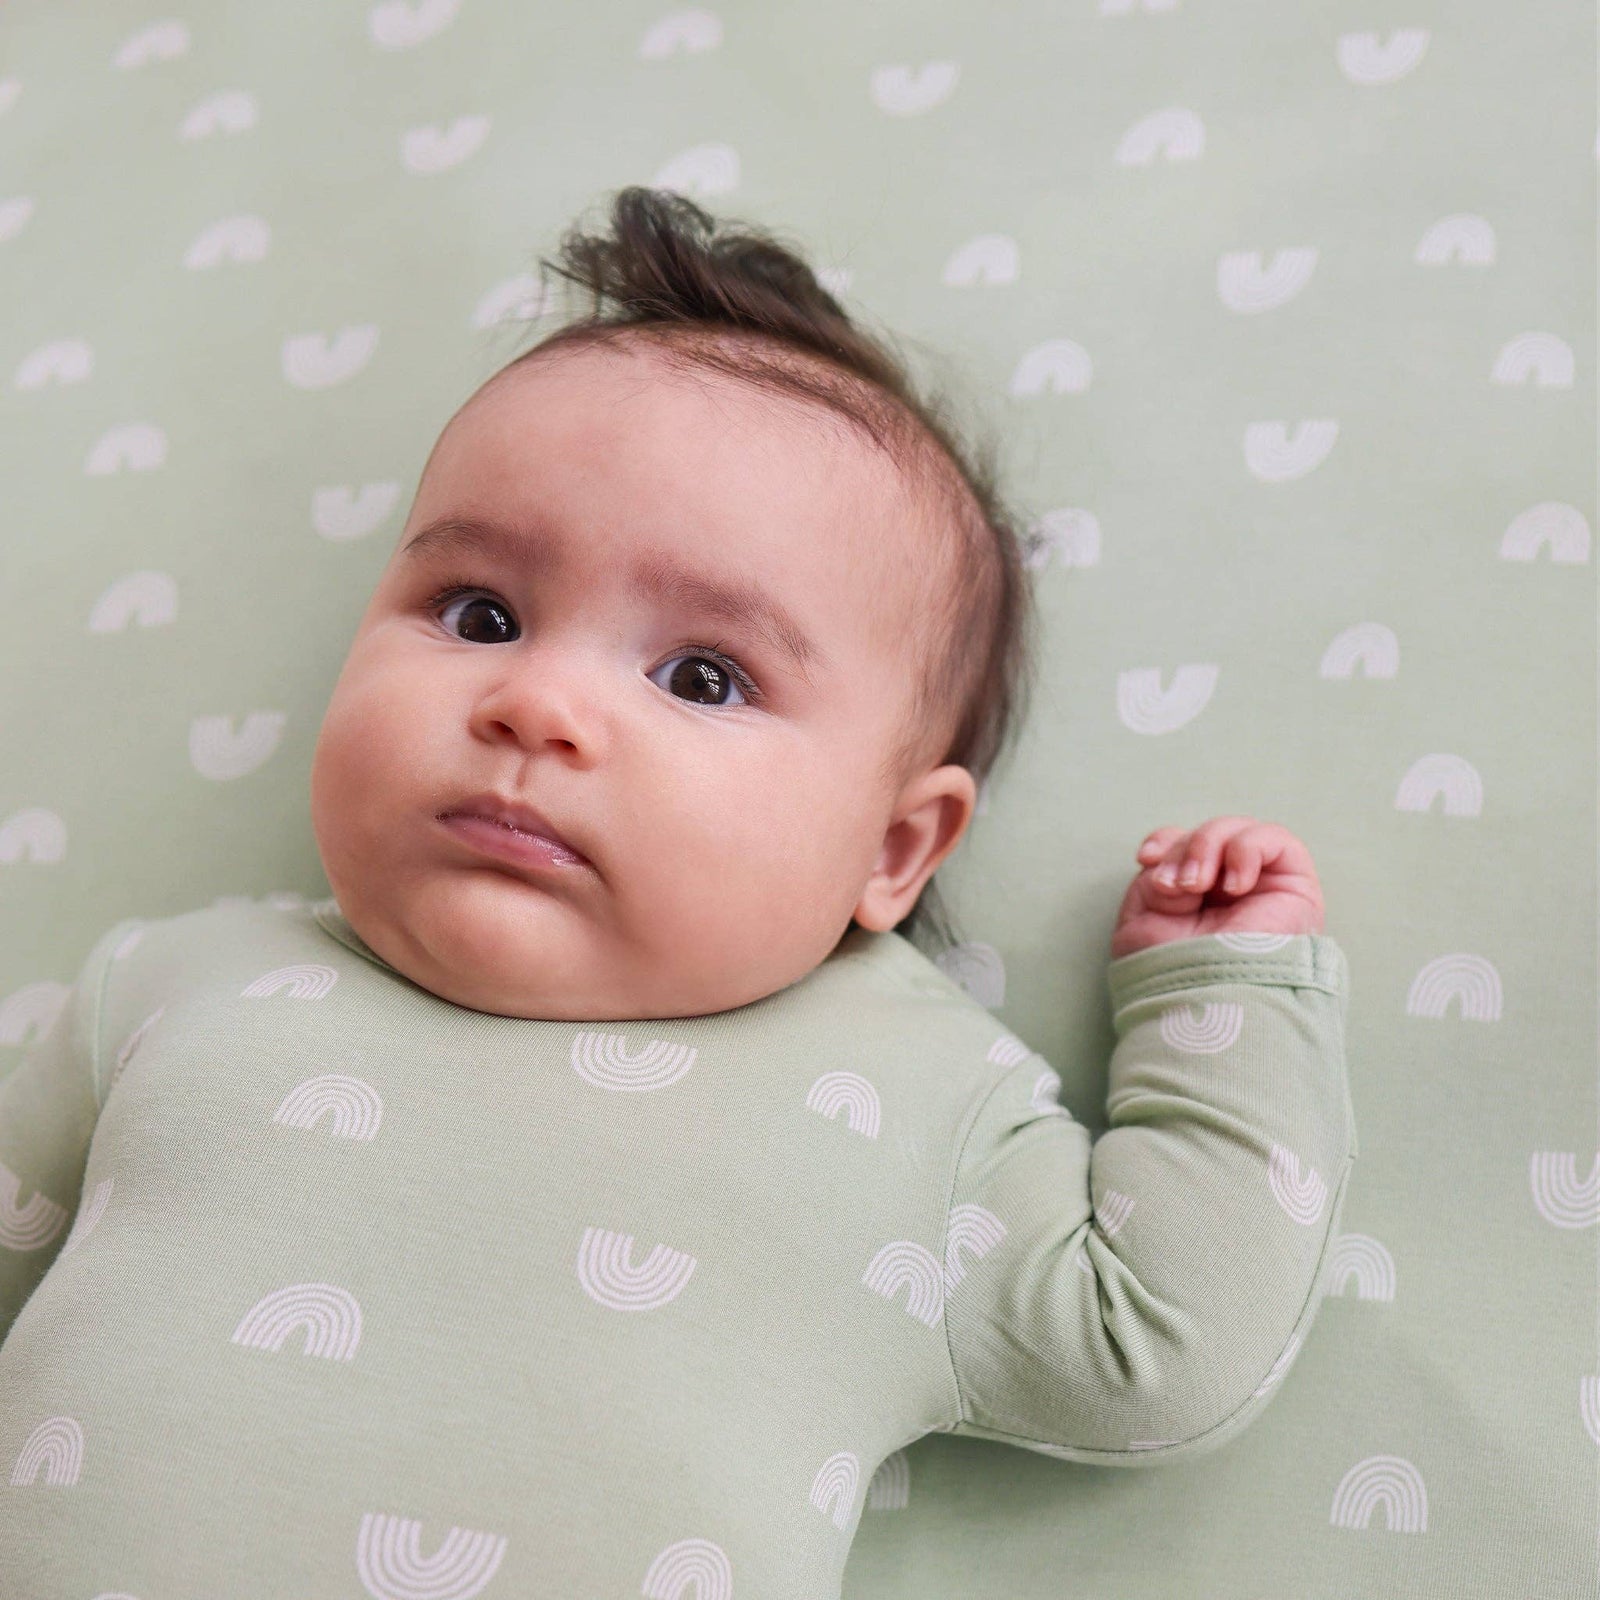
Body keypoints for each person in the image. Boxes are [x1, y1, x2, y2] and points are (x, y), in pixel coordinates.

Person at [0, 187, 1353, 1598]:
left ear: (894, 850)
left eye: (702, 676)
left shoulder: (903, 1107)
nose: (536, 703)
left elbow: (1159, 1347)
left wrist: (1220, 1002)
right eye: (480, 615)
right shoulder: (172, 990)